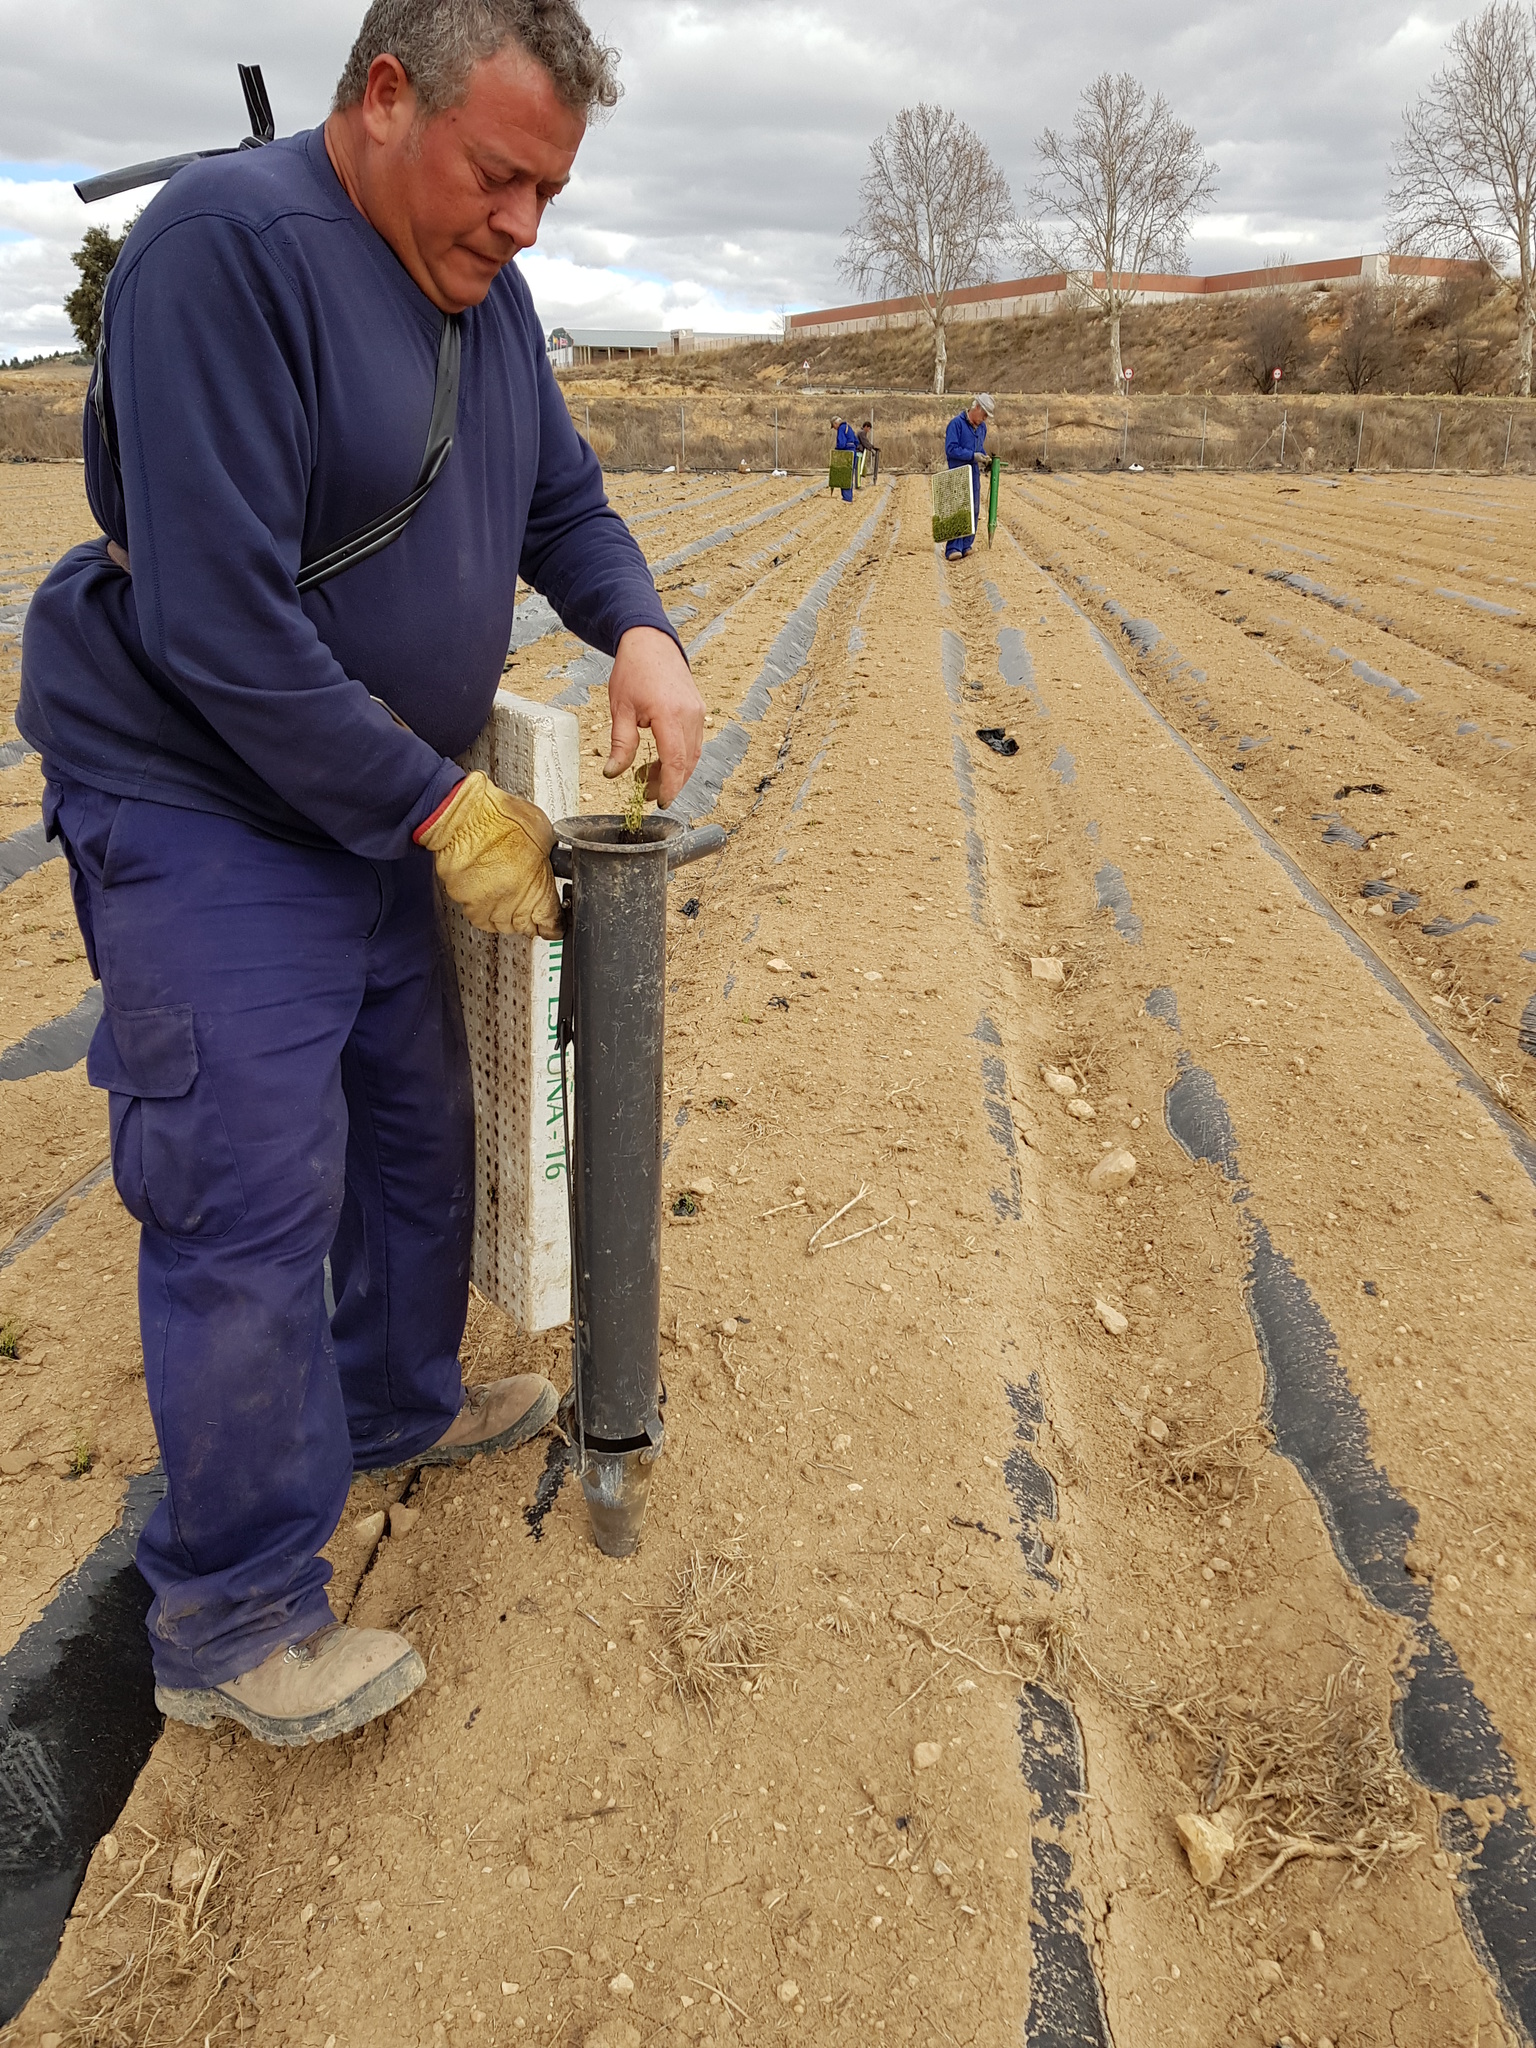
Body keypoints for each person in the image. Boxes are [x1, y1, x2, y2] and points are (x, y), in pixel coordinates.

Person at [17, 0, 704, 1748]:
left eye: (550, 191)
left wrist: (638, 625)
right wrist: (445, 813)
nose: (523, 224)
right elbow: (220, 628)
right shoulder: (221, 261)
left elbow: (559, 501)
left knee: (411, 1120)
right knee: (247, 1169)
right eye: (499, 177)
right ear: (384, 97)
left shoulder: (495, 303)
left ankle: (393, 1398)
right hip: (203, 794)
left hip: (371, 796)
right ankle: (231, 1614)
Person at [942, 393, 995, 559]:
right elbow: (951, 449)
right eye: (984, 414)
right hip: (958, 471)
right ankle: (953, 548)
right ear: (976, 407)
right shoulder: (956, 424)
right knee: (958, 509)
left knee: (973, 509)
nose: (985, 419)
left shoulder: (982, 429)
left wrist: (985, 458)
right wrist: (973, 456)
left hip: (973, 473)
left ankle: (966, 545)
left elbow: (980, 448)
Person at [832, 414, 860, 502]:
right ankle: (849, 496)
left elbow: (841, 443)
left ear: (836, 423)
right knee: (850, 474)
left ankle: (846, 497)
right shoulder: (849, 428)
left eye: (833, 426)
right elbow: (856, 441)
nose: (834, 428)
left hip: (846, 453)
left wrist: (836, 450)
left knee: (844, 474)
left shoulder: (841, 428)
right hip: (853, 452)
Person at [856, 419, 879, 485]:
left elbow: (866, 442)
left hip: (860, 450)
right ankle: (858, 484)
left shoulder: (861, 432)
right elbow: (865, 442)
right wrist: (871, 448)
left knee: (860, 468)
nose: (868, 430)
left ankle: (858, 483)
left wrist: (871, 447)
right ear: (865, 427)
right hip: (858, 451)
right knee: (859, 468)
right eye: (868, 428)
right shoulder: (862, 432)